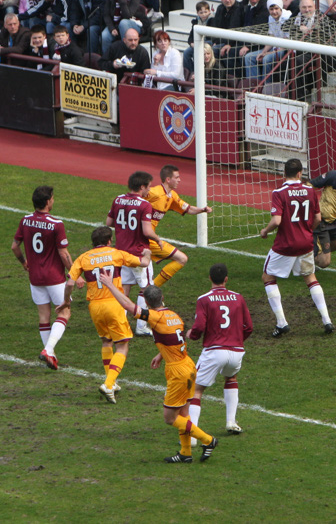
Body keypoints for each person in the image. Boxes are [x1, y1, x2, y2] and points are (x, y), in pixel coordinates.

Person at [96, 274, 218, 463]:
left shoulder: (154, 317)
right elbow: (177, 339)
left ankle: (207, 440)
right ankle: (185, 453)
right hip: (188, 364)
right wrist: (161, 354)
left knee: (170, 418)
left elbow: (129, 306)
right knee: (184, 414)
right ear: (162, 298)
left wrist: (110, 285)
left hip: (178, 371)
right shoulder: (174, 316)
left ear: (146, 302)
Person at [67, 226, 152, 403]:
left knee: (107, 341)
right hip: (114, 304)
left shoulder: (83, 257)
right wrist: (148, 253)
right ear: (109, 241)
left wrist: (66, 301)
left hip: (95, 307)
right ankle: (108, 383)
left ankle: (111, 383)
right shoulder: (117, 254)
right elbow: (143, 263)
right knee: (123, 345)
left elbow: (69, 283)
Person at [258, 158, 334, 337]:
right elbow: (317, 218)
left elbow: (276, 220)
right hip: (306, 243)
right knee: (310, 278)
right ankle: (327, 320)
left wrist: (265, 230)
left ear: (284, 173)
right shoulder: (310, 190)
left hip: (285, 245)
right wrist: (307, 231)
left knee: (268, 276)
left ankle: (281, 322)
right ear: (300, 174)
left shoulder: (279, 192)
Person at [186, 263, 254, 436]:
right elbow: (249, 327)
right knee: (231, 377)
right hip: (237, 351)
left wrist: (191, 335)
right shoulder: (238, 298)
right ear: (226, 279)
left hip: (215, 350)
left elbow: (199, 325)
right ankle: (231, 421)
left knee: (196, 390)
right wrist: (237, 339)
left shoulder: (204, 299)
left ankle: (192, 434)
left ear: (209, 278)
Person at [11, 185, 72, 370]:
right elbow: (63, 253)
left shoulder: (25, 220)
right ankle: (49, 349)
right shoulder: (56, 223)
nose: (53, 200)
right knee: (64, 312)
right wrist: (75, 272)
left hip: (35, 277)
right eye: (52, 198)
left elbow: (14, 246)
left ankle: (50, 354)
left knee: (44, 316)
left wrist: (23, 262)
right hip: (54, 277)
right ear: (47, 202)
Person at [105, 170, 163, 336]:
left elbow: (109, 222)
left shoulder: (118, 199)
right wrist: (157, 239)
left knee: (124, 289)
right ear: (142, 187)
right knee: (146, 288)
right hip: (138, 253)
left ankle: (120, 325)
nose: (149, 191)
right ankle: (142, 326)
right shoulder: (145, 205)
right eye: (148, 187)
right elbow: (147, 231)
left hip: (121, 253)